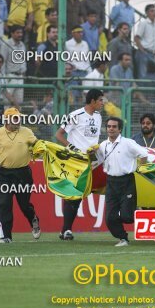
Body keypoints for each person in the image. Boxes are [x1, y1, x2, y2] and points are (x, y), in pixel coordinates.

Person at [0, 107, 41, 243]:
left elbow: (37, 145)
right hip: (4, 174)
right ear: (7, 119)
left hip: (23, 173)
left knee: (24, 205)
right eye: (15, 118)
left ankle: (33, 219)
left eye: (19, 118)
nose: (18, 120)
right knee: (4, 203)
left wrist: (39, 150)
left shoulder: (27, 132)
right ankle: (6, 236)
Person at [89, 117, 149, 246]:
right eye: (109, 126)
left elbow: (144, 154)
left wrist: (140, 168)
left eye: (114, 126)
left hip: (126, 181)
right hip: (110, 182)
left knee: (127, 217)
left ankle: (135, 210)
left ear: (120, 129)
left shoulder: (128, 143)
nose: (111, 129)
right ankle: (123, 238)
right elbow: (96, 161)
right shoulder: (103, 145)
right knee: (110, 218)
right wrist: (91, 154)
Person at [54, 89, 104, 241]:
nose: (103, 103)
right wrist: (73, 148)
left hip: (93, 162)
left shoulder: (98, 116)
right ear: (93, 101)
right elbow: (59, 134)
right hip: (75, 161)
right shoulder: (76, 115)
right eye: (101, 100)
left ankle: (65, 230)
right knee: (74, 195)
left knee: (79, 196)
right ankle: (67, 230)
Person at [0, 25, 26, 106]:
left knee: (19, 103)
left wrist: (24, 70)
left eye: (21, 32)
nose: (20, 34)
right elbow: (2, 62)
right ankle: (6, 119)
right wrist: (3, 78)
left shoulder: (22, 45)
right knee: (7, 103)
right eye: (17, 33)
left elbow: (23, 60)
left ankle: (17, 118)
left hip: (20, 77)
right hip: (9, 76)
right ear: (12, 33)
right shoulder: (6, 44)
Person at [134, 4, 155, 79]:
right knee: (142, 75)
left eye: (154, 11)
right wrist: (142, 50)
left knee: (151, 75)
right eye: (152, 11)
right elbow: (136, 37)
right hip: (144, 53)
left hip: (152, 54)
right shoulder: (143, 23)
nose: (154, 13)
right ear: (147, 13)